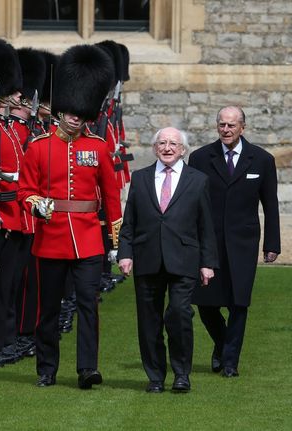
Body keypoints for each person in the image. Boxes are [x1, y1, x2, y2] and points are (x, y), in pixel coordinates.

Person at [18, 44, 122, 389]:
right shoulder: (39, 146)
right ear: (61, 109)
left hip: (89, 238)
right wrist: (37, 203)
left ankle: (87, 368)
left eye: (81, 112)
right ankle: (46, 368)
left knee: (89, 308)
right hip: (51, 239)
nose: (75, 117)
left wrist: (116, 241)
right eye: (71, 111)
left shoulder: (98, 147)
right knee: (48, 309)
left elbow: (110, 195)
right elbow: (24, 190)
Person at [117, 127, 218, 393]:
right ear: (154, 148)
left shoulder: (198, 180)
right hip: (147, 257)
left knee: (179, 313)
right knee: (149, 321)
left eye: (173, 143)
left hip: (184, 259)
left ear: (183, 150)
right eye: (162, 143)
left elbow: (206, 226)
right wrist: (125, 253)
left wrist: (207, 263)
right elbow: (130, 222)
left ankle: (181, 373)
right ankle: (155, 377)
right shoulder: (140, 178)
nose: (167, 148)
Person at [188, 106, 280, 378]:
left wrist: (272, 244)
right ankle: (223, 343)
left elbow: (270, 205)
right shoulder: (200, 158)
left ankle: (230, 362)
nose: (226, 130)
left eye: (231, 125)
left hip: (243, 242)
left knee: (239, 303)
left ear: (243, 127)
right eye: (221, 125)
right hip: (209, 242)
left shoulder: (262, 160)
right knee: (205, 302)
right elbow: (191, 203)